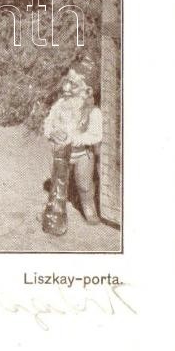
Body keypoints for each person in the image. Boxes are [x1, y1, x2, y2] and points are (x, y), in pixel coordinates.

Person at [42, 57, 102, 236]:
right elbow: (48, 123)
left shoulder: (93, 112)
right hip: (61, 153)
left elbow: (96, 135)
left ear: (87, 90)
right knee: (57, 184)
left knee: (84, 185)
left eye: (73, 85)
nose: (66, 88)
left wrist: (76, 139)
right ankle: (56, 213)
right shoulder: (59, 106)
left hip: (82, 154)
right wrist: (51, 133)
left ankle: (88, 206)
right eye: (66, 81)